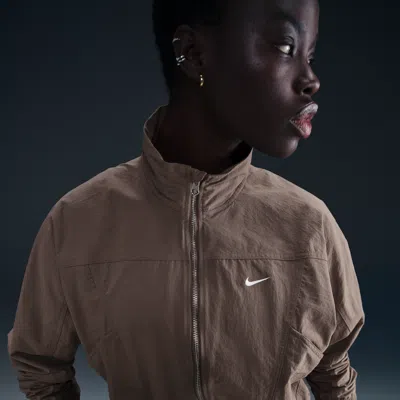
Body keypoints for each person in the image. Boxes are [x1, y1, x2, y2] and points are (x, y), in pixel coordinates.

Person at [8, 0, 366, 398]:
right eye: (285, 47)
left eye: (309, 56)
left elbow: (334, 372)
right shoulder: (76, 220)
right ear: (193, 53)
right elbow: (41, 368)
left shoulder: (310, 225)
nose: (311, 80)